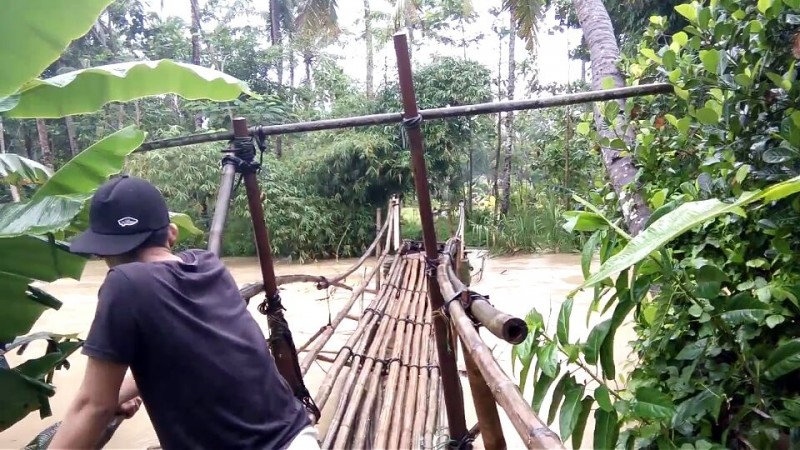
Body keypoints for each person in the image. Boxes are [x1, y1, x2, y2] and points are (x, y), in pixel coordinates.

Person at [50, 175, 319, 450]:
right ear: (172, 233)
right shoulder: (207, 264)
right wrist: (117, 394)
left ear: (101, 250)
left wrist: (108, 399)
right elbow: (187, 356)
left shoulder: (124, 283)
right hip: (297, 436)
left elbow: (93, 406)